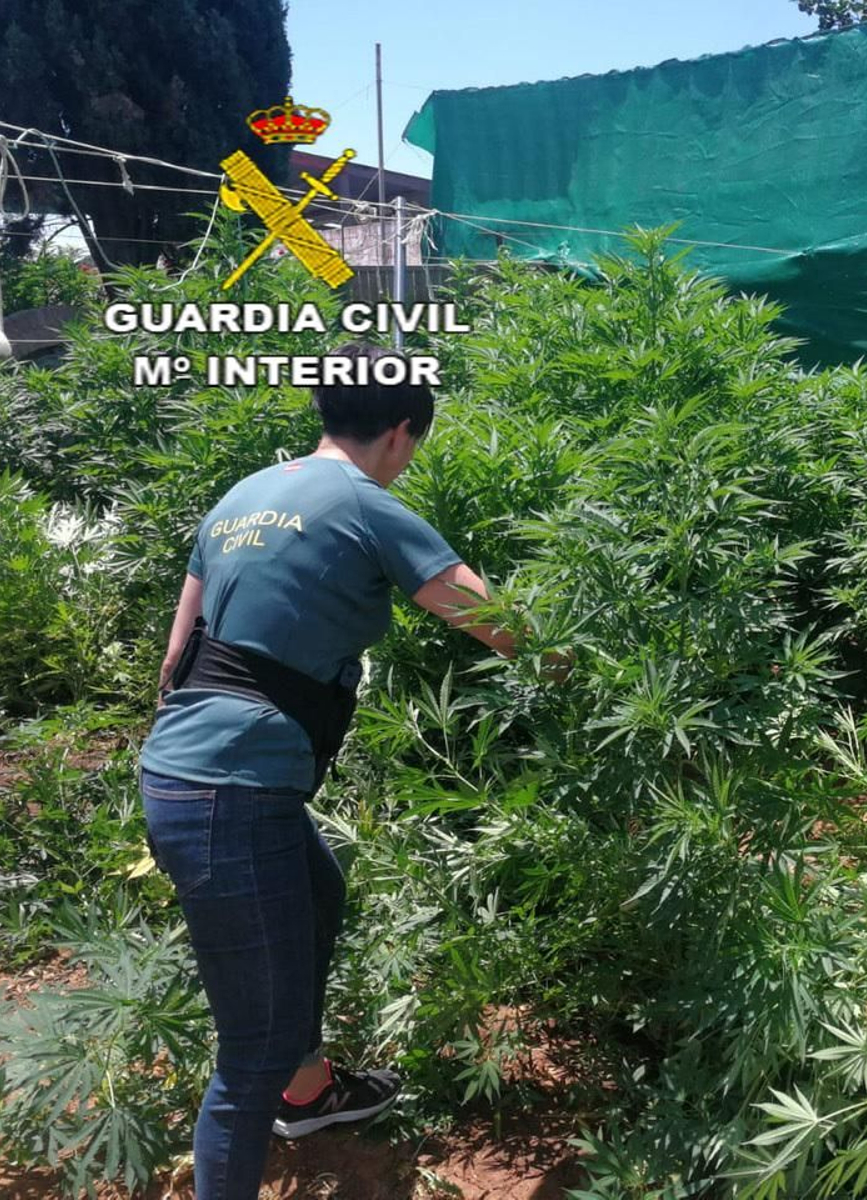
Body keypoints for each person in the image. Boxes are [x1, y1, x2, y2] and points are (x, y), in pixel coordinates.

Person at [139, 343, 551, 1200]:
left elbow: (178, 652)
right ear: (402, 432)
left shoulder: (246, 493)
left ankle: (311, 1092)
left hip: (192, 772)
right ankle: (272, 1099)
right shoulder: (366, 503)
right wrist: (589, 669)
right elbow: (496, 623)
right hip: (231, 792)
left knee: (319, 893)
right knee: (251, 1046)